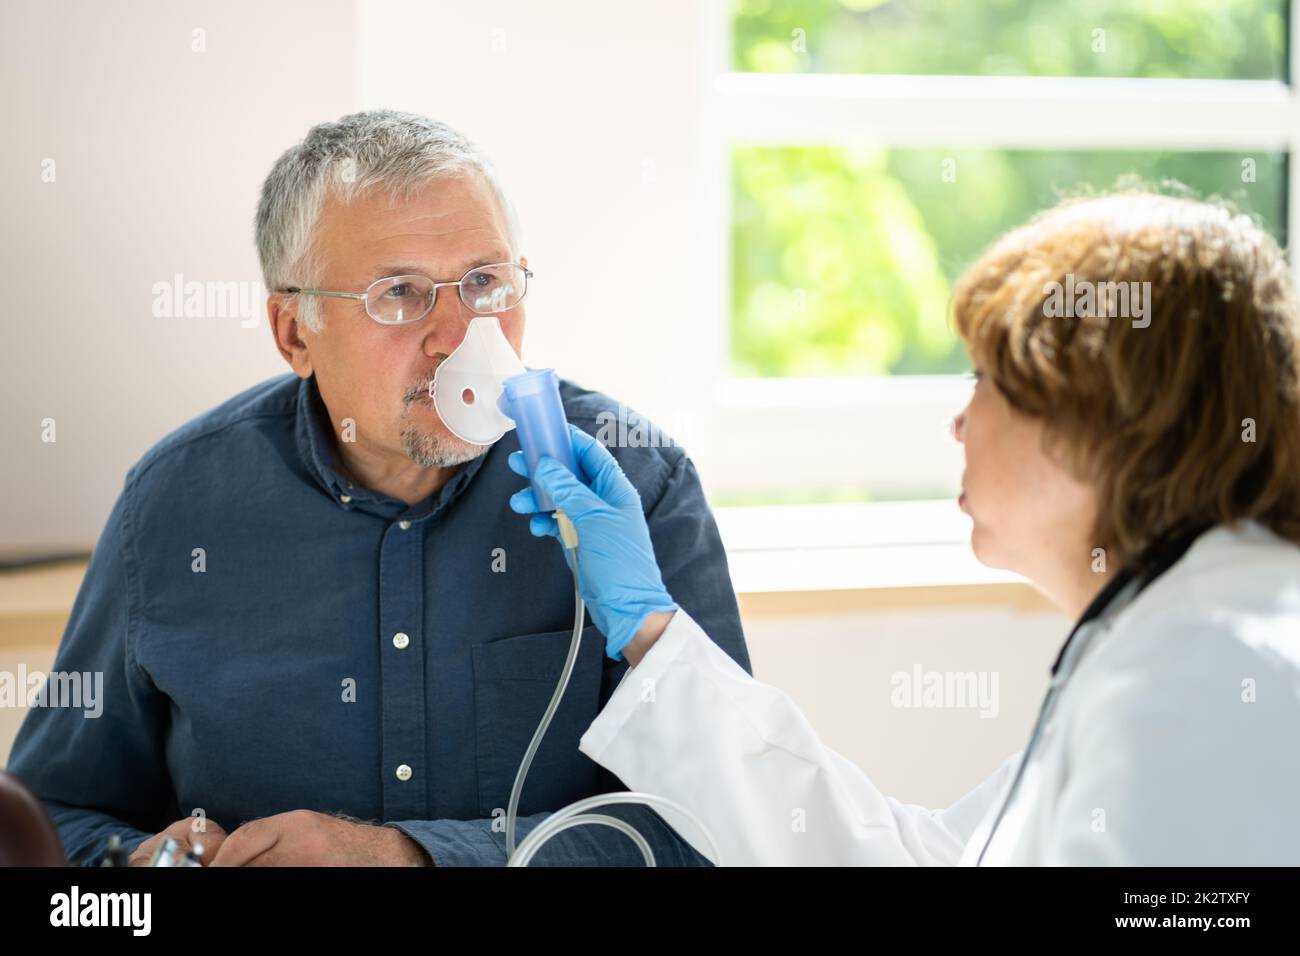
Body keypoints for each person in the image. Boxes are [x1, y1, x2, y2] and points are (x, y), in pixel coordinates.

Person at [6, 110, 750, 867]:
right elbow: (44, 816)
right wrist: (130, 862)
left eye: (486, 282)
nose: (460, 336)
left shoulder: (638, 486)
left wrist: (409, 858)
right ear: (294, 332)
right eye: (400, 293)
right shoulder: (174, 505)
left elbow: (718, 831)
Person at [508, 192, 1300, 865]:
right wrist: (647, 628)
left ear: (1102, 419)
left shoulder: (1203, 674)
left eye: (986, 380)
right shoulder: (1161, 641)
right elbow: (910, 857)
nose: (960, 424)